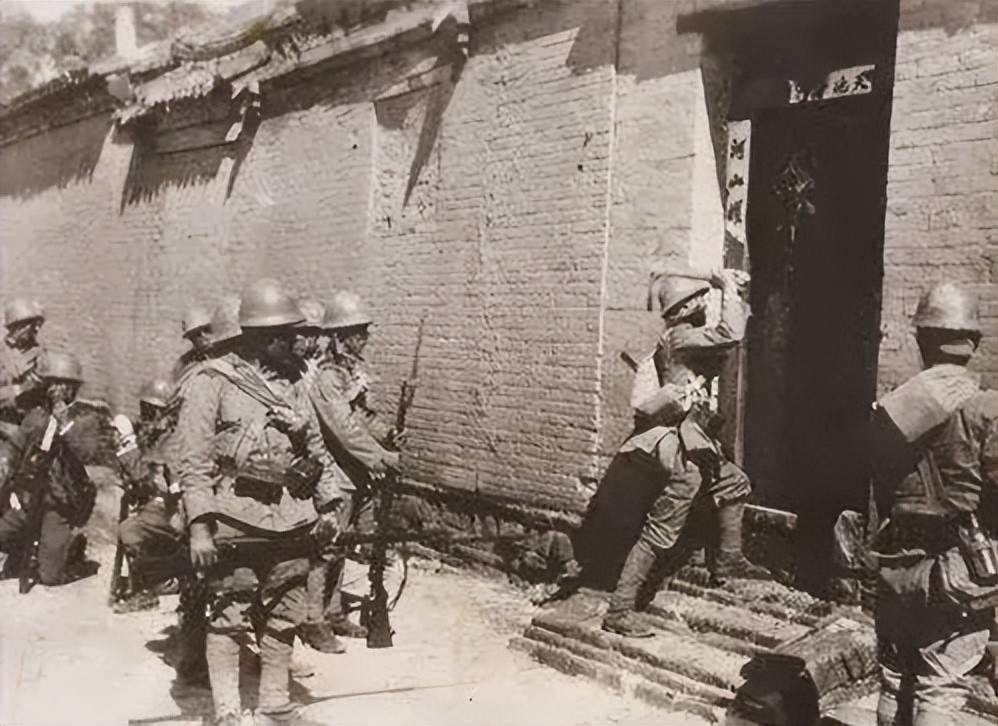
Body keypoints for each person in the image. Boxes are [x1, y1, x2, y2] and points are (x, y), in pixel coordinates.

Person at [175, 279, 348, 725]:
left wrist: (330, 505)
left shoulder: (295, 383)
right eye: (283, 335)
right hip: (234, 515)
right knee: (229, 612)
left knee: (286, 611)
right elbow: (192, 460)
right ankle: (228, 712)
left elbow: (317, 449)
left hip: (291, 516)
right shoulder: (211, 382)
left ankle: (274, 703)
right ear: (257, 337)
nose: (293, 342)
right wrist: (199, 526)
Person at [870, 282, 997, 725]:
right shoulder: (986, 408)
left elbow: (881, 488)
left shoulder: (891, 408)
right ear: (972, 343)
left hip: (897, 564)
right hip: (958, 570)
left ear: (922, 340)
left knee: (894, 678)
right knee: (940, 687)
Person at [296, 294, 402, 650]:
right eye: (358, 333)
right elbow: (342, 428)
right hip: (332, 472)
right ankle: (313, 619)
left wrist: (387, 434)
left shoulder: (347, 374)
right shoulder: (328, 377)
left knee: (342, 545)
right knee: (326, 546)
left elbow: (360, 417)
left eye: (364, 332)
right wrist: (380, 457)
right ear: (339, 336)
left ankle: (334, 612)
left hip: (353, 472)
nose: (364, 339)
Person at [0, 352, 98, 587]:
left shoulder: (85, 419)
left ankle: (72, 547)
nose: (56, 391)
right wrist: (5, 470)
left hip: (60, 503)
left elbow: (86, 453)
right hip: (30, 496)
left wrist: (64, 425)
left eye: (61, 385)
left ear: (72, 389)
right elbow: (15, 447)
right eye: (52, 384)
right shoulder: (37, 416)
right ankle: (23, 545)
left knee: (50, 577)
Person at [111, 379, 185, 614]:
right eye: (144, 408)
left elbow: (148, 481)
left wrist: (127, 446)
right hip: (163, 503)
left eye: (149, 410)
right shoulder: (156, 436)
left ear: (162, 412)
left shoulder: (172, 440)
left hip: (175, 508)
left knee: (131, 530)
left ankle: (148, 590)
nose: (144, 415)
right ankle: (163, 579)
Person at [1, 298, 47, 437]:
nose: (37, 330)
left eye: (38, 325)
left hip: (29, 424)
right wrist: (20, 390)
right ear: (18, 326)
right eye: (33, 325)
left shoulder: (40, 354)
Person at [172, 304, 213, 382]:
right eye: (198, 334)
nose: (204, 335)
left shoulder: (228, 351)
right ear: (190, 338)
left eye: (207, 330)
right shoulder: (184, 362)